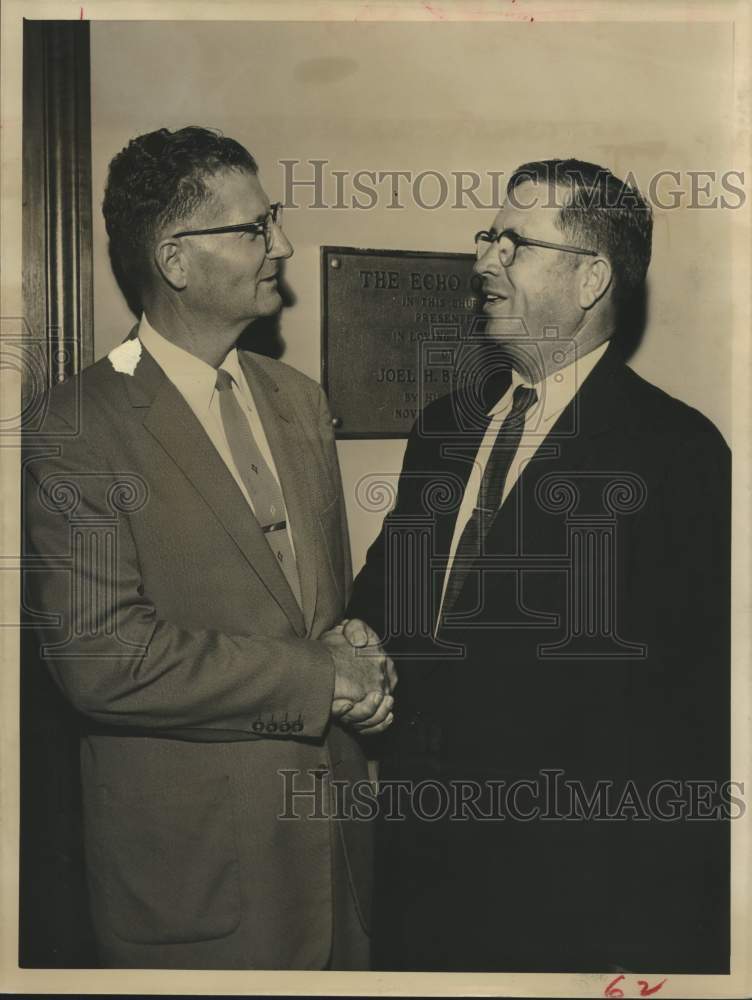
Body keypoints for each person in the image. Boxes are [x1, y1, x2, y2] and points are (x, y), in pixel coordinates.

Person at [23, 126, 395, 970]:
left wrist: (356, 658)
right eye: (254, 229)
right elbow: (105, 662)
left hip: (339, 871)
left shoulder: (299, 401)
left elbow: (313, 618)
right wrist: (320, 677)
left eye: (276, 220)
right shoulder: (75, 426)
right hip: (200, 893)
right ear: (175, 260)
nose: (284, 246)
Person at [348, 159, 730, 973]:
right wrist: (356, 636)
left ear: (591, 277)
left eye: (513, 243)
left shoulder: (678, 454)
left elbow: (698, 718)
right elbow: (390, 591)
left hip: (576, 902)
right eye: (488, 237)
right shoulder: (442, 431)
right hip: (422, 879)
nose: (483, 259)